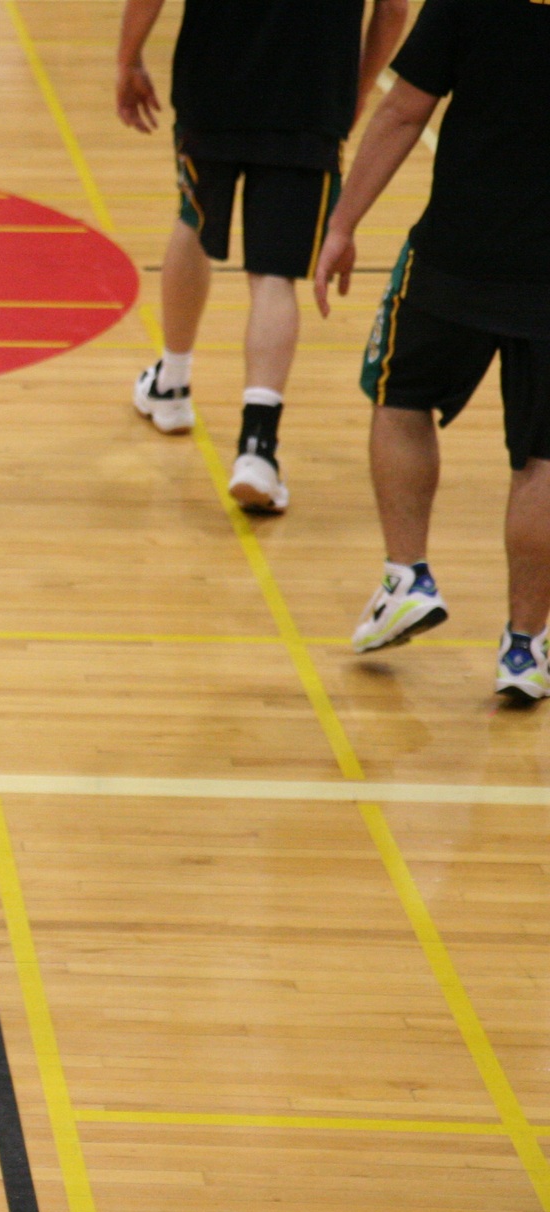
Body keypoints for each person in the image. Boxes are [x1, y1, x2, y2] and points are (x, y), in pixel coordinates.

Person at [315, 0, 550, 700]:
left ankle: (407, 575)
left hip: (457, 252)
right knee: (545, 458)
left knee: (400, 397)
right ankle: (525, 648)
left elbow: (403, 110)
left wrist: (342, 223)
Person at [118, 0, 407, 513]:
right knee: (275, 274)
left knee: (193, 219)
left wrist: (129, 58)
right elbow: (394, 9)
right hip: (312, 96)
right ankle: (258, 448)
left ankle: (173, 383)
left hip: (214, 81)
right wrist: (357, 89)